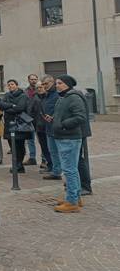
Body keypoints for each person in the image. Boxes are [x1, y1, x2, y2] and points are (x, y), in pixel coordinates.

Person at [51, 75, 88, 213]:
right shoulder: (64, 98)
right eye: (56, 83)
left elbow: (80, 117)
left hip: (69, 138)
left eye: (59, 83)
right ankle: (75, 196)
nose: (57, 85)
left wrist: (63, 125)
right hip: (63, 137)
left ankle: (72, 202)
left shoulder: (73, 97)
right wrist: (55, 120)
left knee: (69, 170)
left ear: (67, 84)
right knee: (71, 169)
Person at [0, 79, 28, 173]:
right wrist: (12, 106)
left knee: (19, 144)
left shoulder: (23, 95)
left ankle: (19, 164)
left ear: (16, 85)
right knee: (12, 145)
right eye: (9, 84)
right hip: (8, 123)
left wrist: (8, 108)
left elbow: (20, 108)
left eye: (12, 84)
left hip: (19, 123)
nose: (10, 86)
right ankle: (16, 164)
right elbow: (1, 105)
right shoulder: (6, 95)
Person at [41, 75, 61, 180]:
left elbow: (60, 109)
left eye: (46, 83)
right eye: (43, 84)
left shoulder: (57, 94)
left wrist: (53, 117)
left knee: (59, 151)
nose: (45, 86)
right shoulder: (46, 95)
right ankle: (56, 171)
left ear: (52, 82)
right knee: (52, 151)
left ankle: (59, 171)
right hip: (48, 126)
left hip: (57, 127)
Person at [31, 82, 52, 173]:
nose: (39, 89)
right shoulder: (34, 98)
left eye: (41, 87)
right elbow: (31, 111)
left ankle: (53, 166)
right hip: (39, 127)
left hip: (49, 126)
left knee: (51, 148)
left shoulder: (49, 98)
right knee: (44, 147)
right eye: (38, 87)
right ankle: (49, 165)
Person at [23, 74, 39, 166]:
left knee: (41, 139)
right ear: (28, 80)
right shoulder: (25, 91)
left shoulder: (40, 89)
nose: (34, 81)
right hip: (29, 118)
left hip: (39, 118)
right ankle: (32, 158)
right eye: (32, 79)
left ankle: (44, 159)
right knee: (30, 139)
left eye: (35, 79)